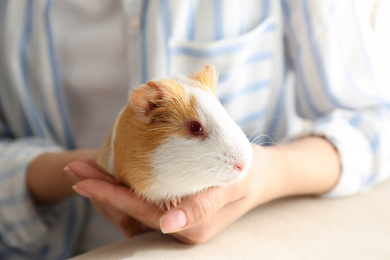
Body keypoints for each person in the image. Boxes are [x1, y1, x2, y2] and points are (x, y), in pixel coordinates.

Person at [1, 0, 389, 259]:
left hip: (246, 241)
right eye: (197, 129)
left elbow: (375, 116)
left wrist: (272, 172)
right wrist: (65, 172)